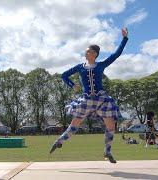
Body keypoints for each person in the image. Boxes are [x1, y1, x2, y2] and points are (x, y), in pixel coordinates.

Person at [49, 28, 129, 163]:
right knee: (75, 124)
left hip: (102, 100)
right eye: (85, 51)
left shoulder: (101, 65)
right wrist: (72, 85)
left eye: (88, 51)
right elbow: (64, 75)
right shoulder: (80, 67)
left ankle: (107, 151)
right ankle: (59, 141)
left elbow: (116, 54)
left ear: (94, 54)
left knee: (111, 125)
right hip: (86, 99)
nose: (85, 52)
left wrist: (124, 39)